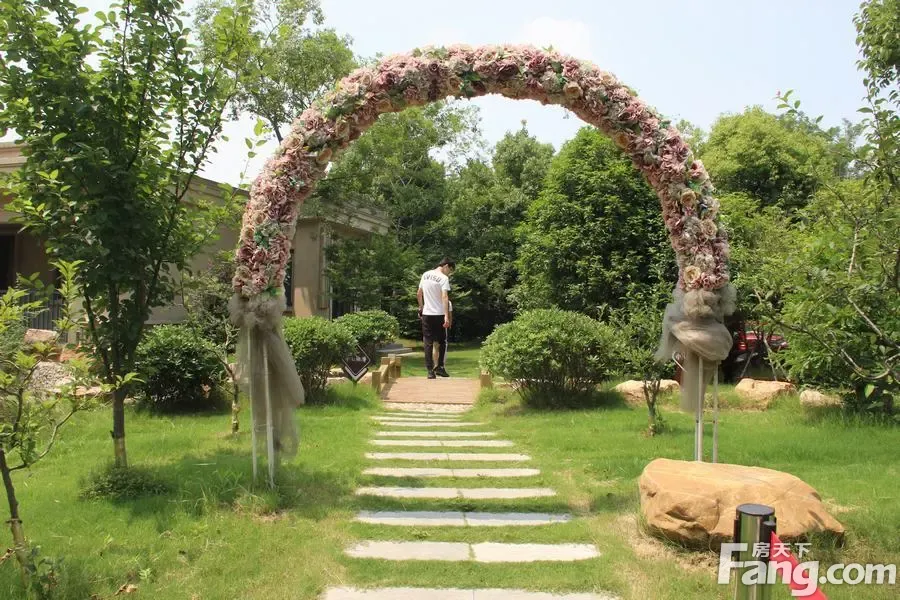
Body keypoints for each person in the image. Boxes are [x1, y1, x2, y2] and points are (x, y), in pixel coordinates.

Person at [417, 258, 455, 379]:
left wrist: (421, 308)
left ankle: (430, 371)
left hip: (427, 314)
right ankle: (440, 367)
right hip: (439, 314)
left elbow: (419, 293)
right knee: (442, 342)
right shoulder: (443, 278)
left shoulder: (425, 275)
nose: (449, 273)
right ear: (446, 266)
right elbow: (445, 297)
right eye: (450, 270)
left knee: (427, 342)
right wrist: (446, 316)